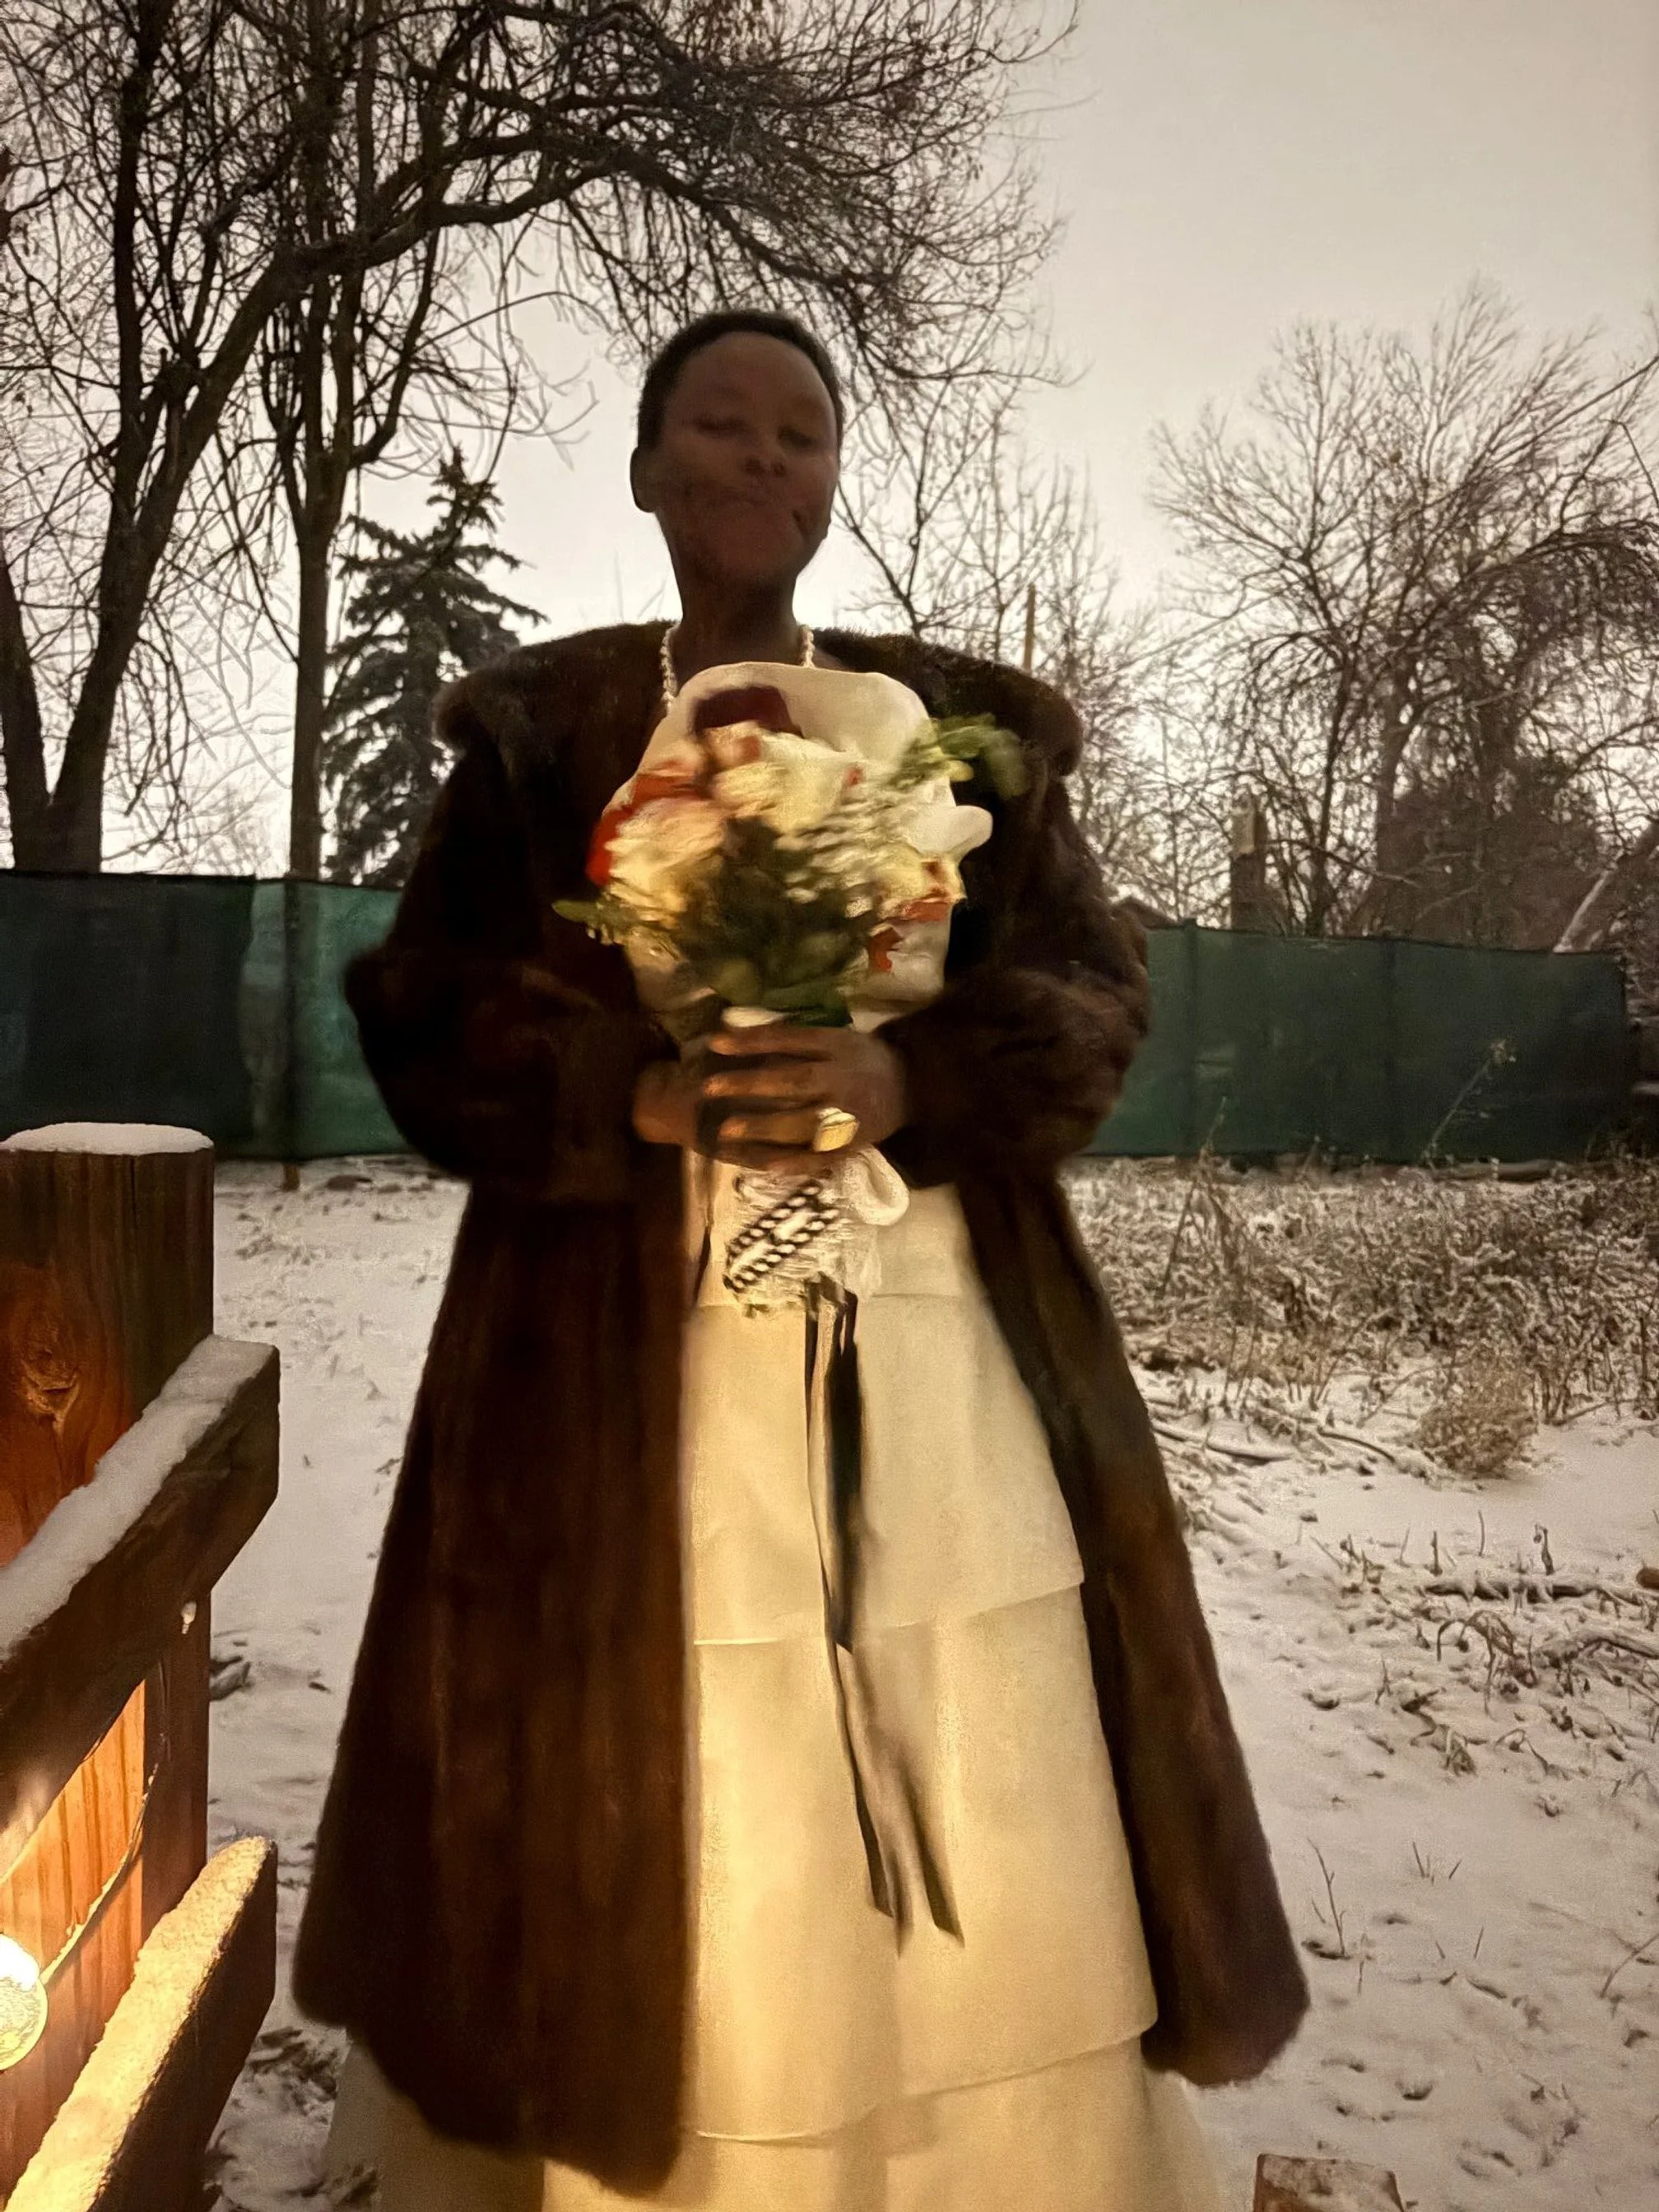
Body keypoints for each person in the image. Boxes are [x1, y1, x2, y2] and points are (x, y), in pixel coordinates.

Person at [295, 310, 1308, 2211]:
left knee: (943, 1697)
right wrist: (635, 1092)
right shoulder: (541, 733)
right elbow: (425, 1005)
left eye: (802, 432)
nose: (765, 457)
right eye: (722, 423)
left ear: (834, 476)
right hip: (603, 1352)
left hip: (932, 1341)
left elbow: (1093, 990)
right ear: (647, 467)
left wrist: (908, 1074)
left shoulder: (962, 730)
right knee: (657, 1721)